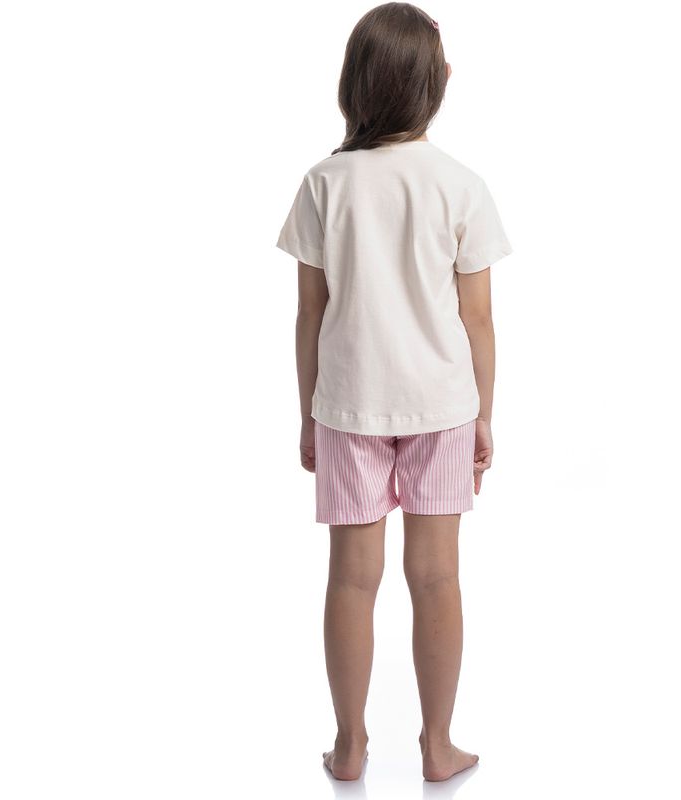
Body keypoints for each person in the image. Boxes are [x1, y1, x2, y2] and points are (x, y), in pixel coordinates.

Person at [275, 2, 512, 784]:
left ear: (355, 82)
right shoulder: (461, 186)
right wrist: (484, 416)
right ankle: (438, 745)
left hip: (348, 404)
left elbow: (310, 313)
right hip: (442, 406)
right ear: (434, 83)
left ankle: (349, 746)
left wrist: (309, 414)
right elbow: (477, 319)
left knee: (351, 578)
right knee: (437, 577)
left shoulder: (324, 183)